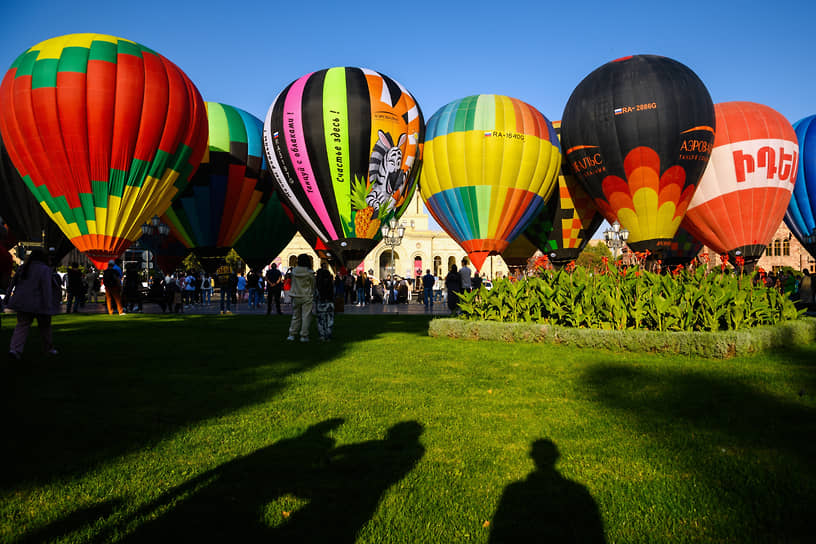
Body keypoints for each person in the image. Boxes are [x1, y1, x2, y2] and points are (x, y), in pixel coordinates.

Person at [6, 248, 61, 359]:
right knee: (45, 327)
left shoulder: (23, 268)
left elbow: (12, 283)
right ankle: (49, 349)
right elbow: (46, 288)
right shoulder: (44, 269)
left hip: (22, 302)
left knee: (22, 326)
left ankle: (15, 349)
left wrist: (8, 296)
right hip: (39, 302)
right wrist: (48, 303)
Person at [287, 254, 315, 342]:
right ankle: (304, 335)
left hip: (296, 295)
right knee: (306, 316)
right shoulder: (309, 272)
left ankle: (292, 334)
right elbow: (313, 284)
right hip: (306, 295)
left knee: (296, 316)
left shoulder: (294, 271)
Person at [315, 262, 335, 341]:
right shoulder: (330, 283)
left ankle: (322, 335)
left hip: (321, 302)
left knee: (321, 319)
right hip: (329, 301)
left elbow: (316, 294)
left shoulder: (319, 283)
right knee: (329, 320)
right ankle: (328, 335)